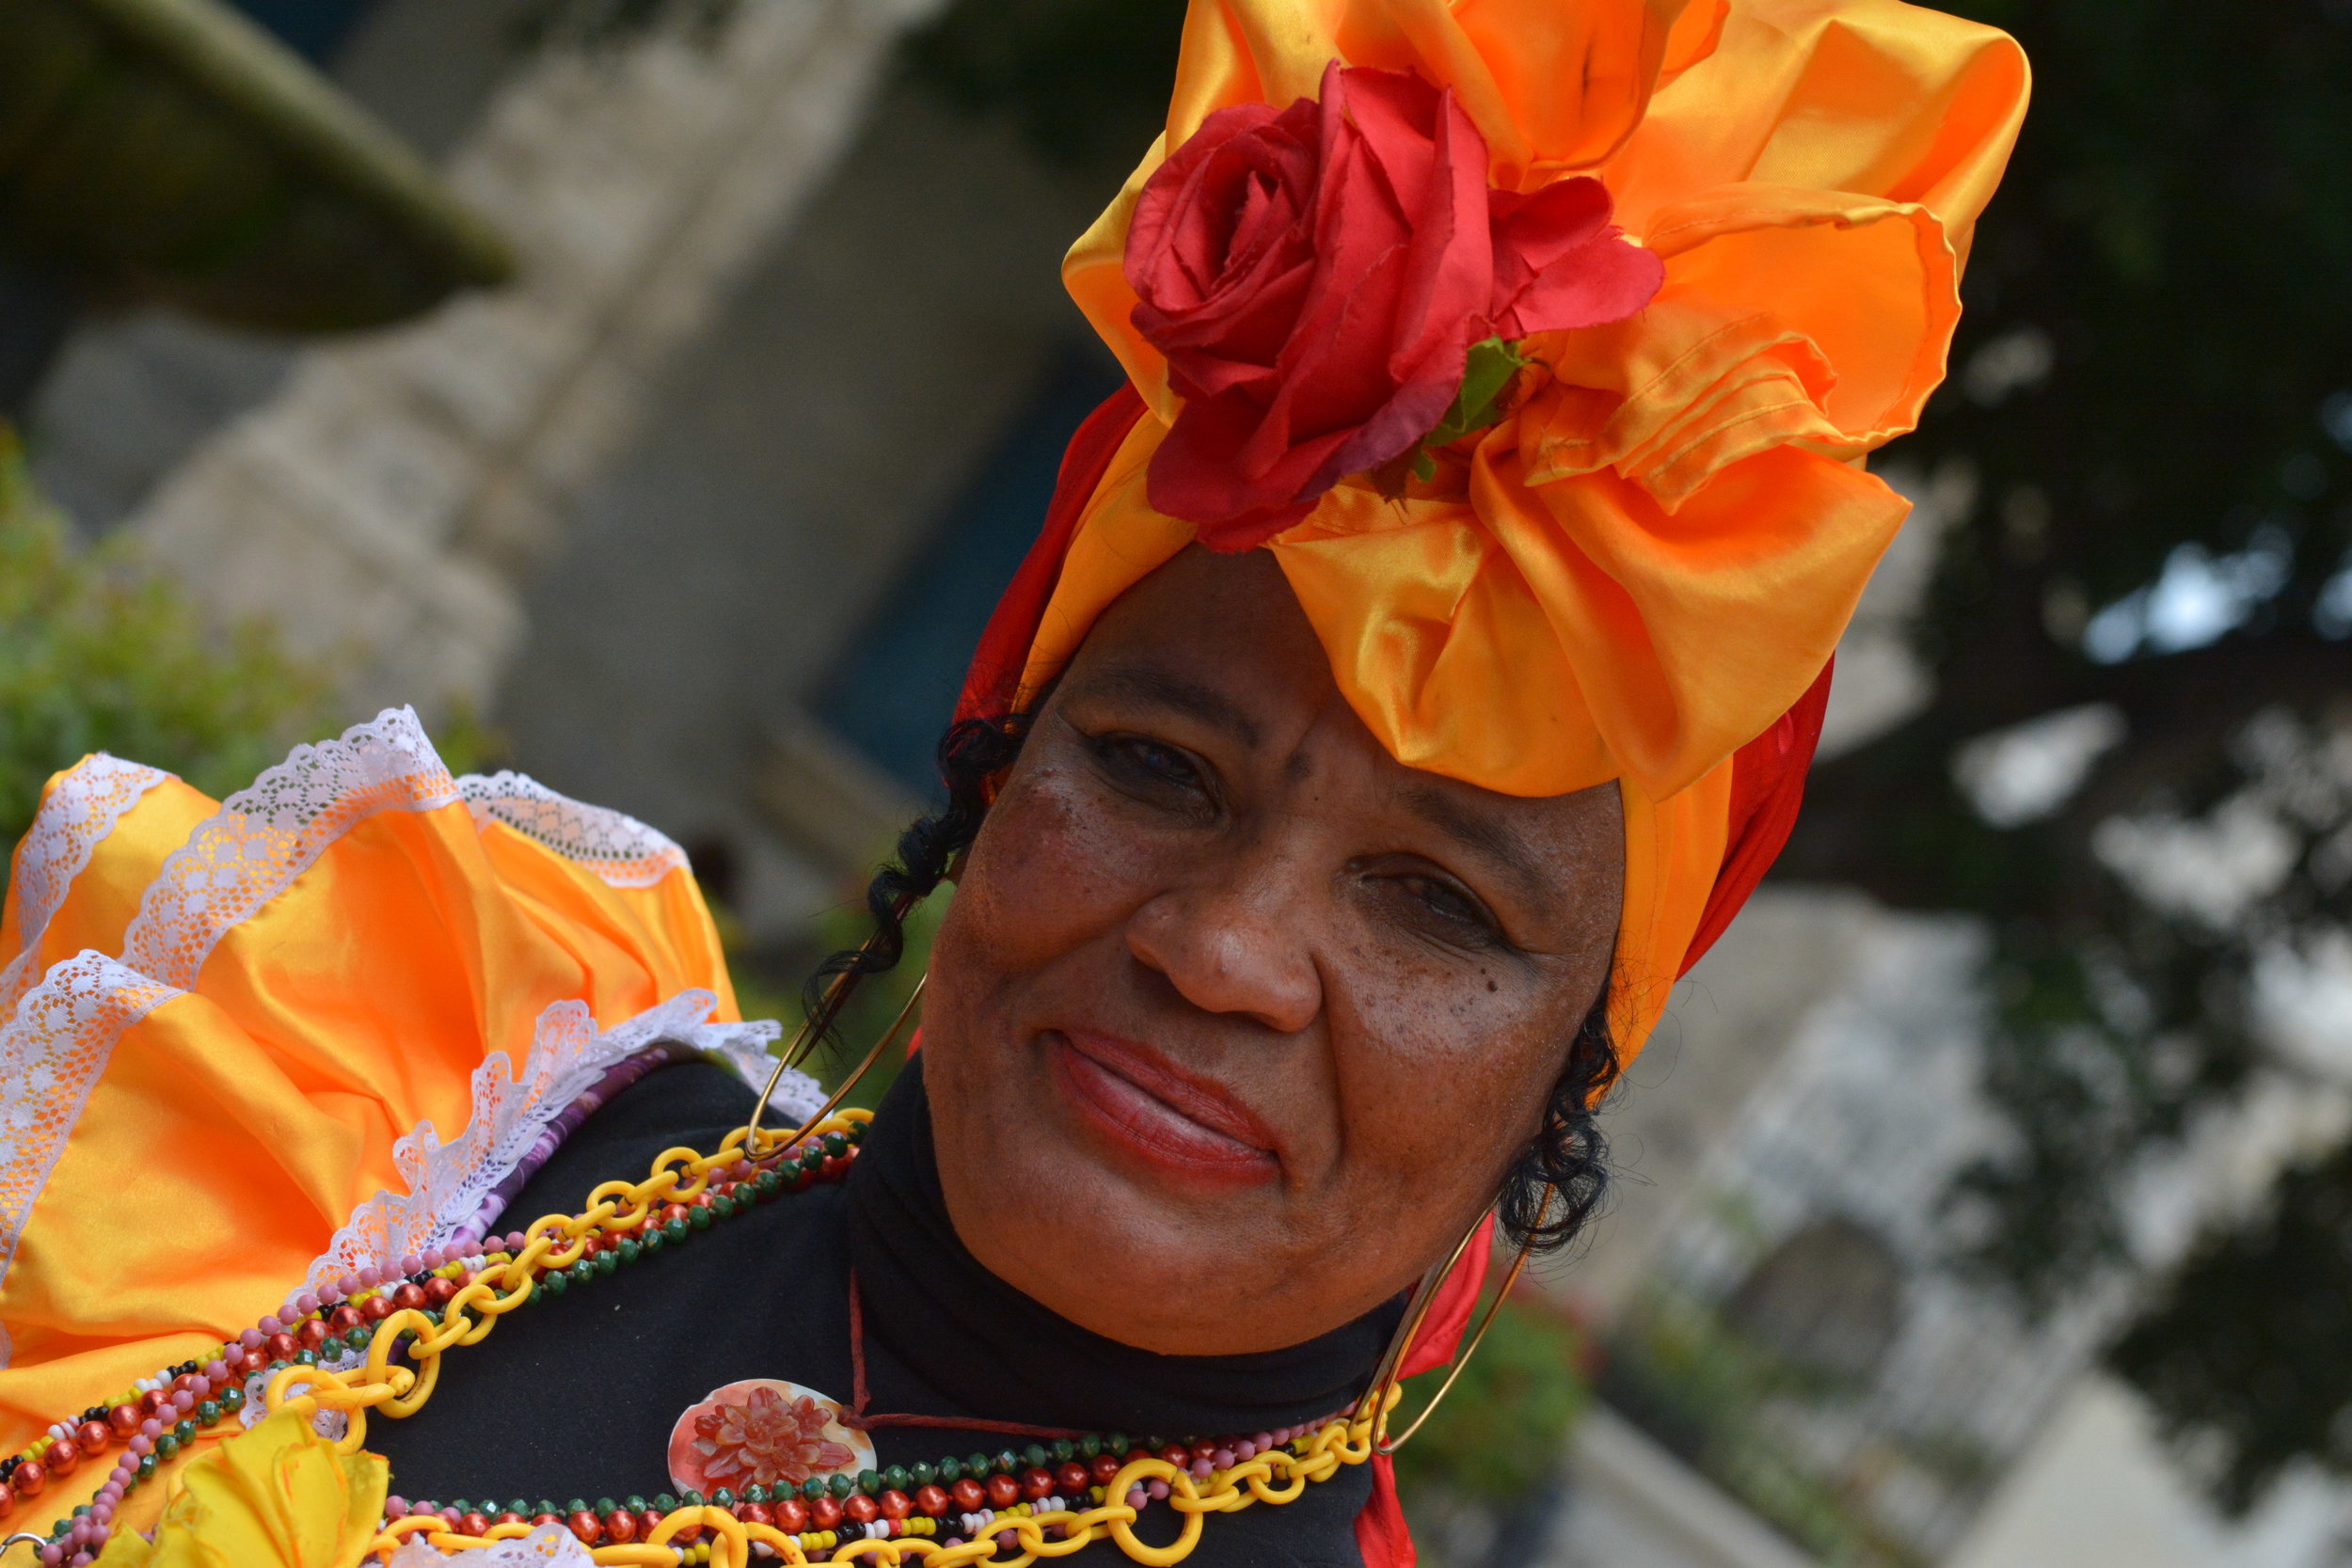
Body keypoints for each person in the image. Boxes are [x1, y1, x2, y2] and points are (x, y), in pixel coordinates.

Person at [0, 1, 2026, 1564]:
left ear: (1576, 1059)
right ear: (996, 768)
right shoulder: (409, 1097)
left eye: (1437, 901)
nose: (1226, 948)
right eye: (1154, 767)